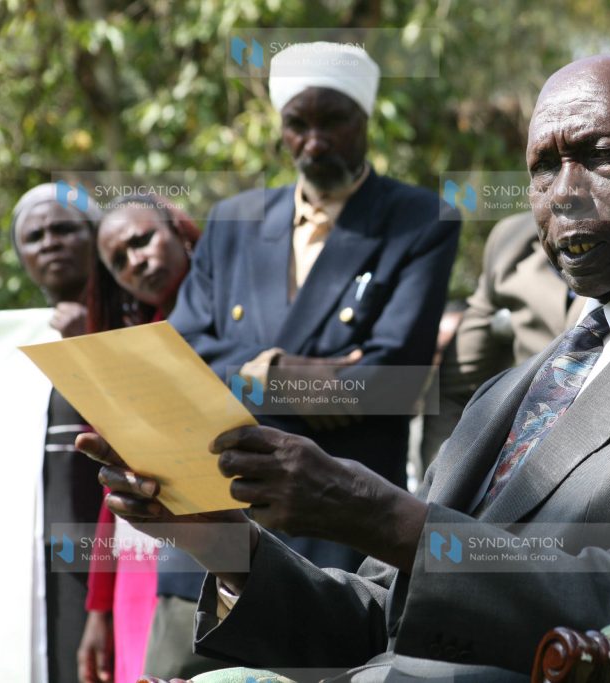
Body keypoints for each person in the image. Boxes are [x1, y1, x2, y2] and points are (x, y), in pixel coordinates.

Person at [80, 56, 610, 682]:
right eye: (543, 168)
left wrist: (382, 514)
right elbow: (379, 615)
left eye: (604, 155)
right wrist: (223, 542)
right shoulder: (513, 388)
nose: (566, 195)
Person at [160, 41, 460, 675]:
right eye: (299, 123)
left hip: (336, 538)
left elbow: (391, 384)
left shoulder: (419, 219)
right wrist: (291, 377)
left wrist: (248, 372)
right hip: (213, 526)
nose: (316, 142)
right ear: (280, 127)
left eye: (334, 122)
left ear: (366, 121)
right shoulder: (234, 221)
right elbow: (179, 364)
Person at [77, 194, 212, 683]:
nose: (136, 261)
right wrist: (98, 611)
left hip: (230, 552)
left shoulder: (240, 320)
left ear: (179, 231)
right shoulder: (135, 347)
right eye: (119, 261)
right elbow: (115, 485)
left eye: (143, 239)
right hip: (145, 555)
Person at [10, 183, 105, 682]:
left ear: (95, 237)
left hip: (115, 560)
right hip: (27, 564)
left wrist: (87, 345)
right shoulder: (5, 348)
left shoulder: (137, 322)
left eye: (64, 228)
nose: (50, 241)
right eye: (35, 235)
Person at [420, 212, 587, 471]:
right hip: (520, 469)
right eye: (546, 169)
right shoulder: (512, 240)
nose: (566, 185)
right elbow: (459, 386)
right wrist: (442, 488)